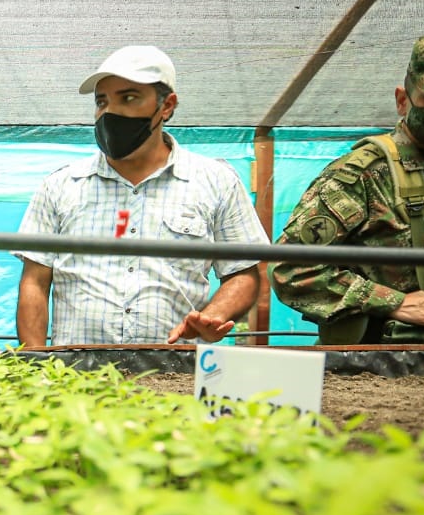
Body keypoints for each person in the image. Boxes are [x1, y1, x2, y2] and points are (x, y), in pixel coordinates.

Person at [14, 46, 268, 348]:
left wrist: (214, 315)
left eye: (129, 98)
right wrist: (37, 362)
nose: (109, 112)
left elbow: (243, 273)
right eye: (102, 101)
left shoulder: (216, 182)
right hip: (76, 370)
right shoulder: (61, 185)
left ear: (166, 106)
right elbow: (35, 282)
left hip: (174, 367)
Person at [273, 26, 424, 345]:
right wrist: (393, 302)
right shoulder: (362, 175)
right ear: (403, 100)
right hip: (375, 362)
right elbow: (291, 269)